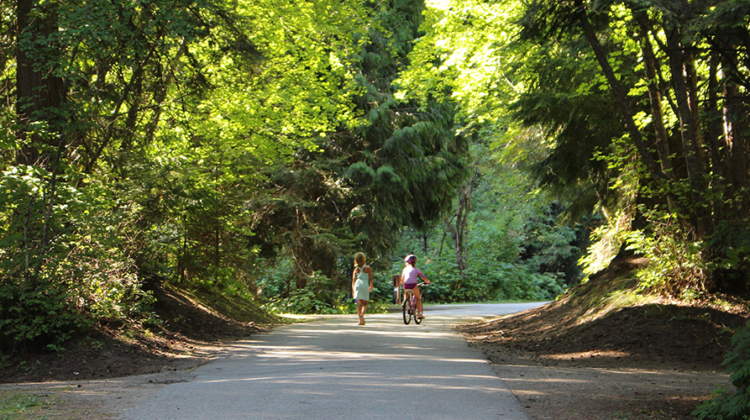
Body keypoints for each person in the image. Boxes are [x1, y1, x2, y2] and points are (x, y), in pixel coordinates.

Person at [400, 254, 430, 319]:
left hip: (406, 284)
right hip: (413, 285)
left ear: (407, 262)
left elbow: (402, 278)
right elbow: (423, 276)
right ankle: (419, 314)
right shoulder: (416, 269)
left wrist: (402, 283)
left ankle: (405, 302)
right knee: (418, 298)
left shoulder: (405, 269)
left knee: (406, 292)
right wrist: (428, 281)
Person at [352, 252, 373, 325]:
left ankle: (359, 320)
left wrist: (353, 290)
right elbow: (371, 279)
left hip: (357, 285)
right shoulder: (368, 268)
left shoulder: (356, 270)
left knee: (359, 303)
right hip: (364, 285)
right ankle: (362, 314)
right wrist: (371, 286)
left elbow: (353, 280)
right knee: (365, 302)